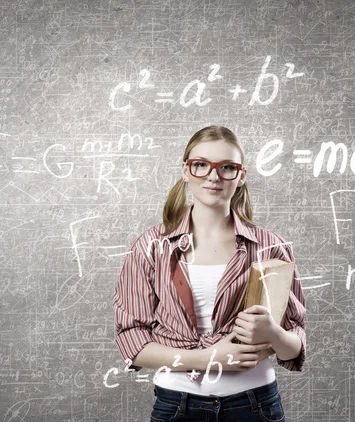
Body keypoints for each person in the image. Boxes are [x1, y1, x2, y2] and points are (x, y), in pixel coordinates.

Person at [113, 125, 306, 421]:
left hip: (255, 405)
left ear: (240, 176)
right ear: (186, 171)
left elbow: (294, 344)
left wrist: (273, 333)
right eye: (201, 165)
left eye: (227, 167)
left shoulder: (271, 246)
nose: (213, 176)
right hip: (177, 404)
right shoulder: (150, 247)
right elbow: (131, 340)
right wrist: (207, 358)